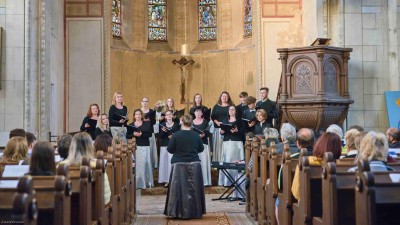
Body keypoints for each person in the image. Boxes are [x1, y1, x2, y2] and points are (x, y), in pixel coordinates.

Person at [164, 114, 205, 219]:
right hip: (194, 164)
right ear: (191, 123)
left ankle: (176, 212)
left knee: (178, 189)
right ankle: (195, 212)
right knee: (194, 189)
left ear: (181, 122)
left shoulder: (176, 135)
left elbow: (170, 149)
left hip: (179, 164)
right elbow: (201, 149)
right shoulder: (196, 135)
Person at [291, 132, 341, 201]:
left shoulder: (306, 162)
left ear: (318, 144)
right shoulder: (341, 165)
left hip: (309, 208)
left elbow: (296, 192)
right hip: (337, 208)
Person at [62, 132, 111, 204]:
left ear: (72, 147)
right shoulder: (98, 165)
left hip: (65, 212)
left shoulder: (61, 166)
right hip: (94, 211)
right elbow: (106, 198)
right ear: (90, 147)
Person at [127, 109, 154, 189]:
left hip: (145, 146)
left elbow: (149, 134)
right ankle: (138, 183)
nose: (138, 116)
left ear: (141, 115)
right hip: (135, 147)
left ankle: (146, 182)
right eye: (136, 114)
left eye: (139, 114)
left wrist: (142, 134)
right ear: (134, 116)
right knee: (137, 164)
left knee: (145, 163)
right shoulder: (131, 124)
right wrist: (133, 134)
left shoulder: (147, 124)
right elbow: (127, 135)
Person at [218, 106, 245, 187]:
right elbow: (222, 132)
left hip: (236, 142)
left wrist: (237, 131)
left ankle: (237, 180)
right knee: (226, 160)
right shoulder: (225, 121)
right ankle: (226, 182)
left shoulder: (240, 121)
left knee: (235, 161)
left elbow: (243, 132)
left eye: (233, 109)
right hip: (226, 142)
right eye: (230, 109)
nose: (231, 111)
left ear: (235, 111)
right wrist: (222, 132)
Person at [158, 110, 180, 187]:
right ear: (165, 117)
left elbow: (178, 135)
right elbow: (160, 136)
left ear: (172, 115)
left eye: (170, 114)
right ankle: (166, 180)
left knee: (172, 163)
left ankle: (173, 179)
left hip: (173, 146)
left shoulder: (177, 125)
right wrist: (163, 132)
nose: (169, 116)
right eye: (167, 114)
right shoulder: (162, 124)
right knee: (164, 163)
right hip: (164, 145)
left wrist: (173, 136)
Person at [211, 91, 234, 161]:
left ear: (228, 98)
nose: (224, 97)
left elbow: (233, 116)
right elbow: (212, 116)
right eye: (223, 96)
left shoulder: (231, 107)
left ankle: (225, 161)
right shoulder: (216, 106)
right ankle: (217, 162)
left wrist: (224, 123)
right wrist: (216, 122)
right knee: (217, 146)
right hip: (217, 129)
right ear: (220, 97)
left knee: (226, 146)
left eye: (226, 96)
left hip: (227, 129)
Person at [192, 106, 212, 186]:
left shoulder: (205, 122)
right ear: (194, 113)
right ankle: (195, 181)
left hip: (203, 144)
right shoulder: (191, 122)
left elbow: (208, 132)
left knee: (203, 162)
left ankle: (204, 181)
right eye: (196, 112)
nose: (198, 113)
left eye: (199, 112)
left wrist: (204, 134)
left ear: (202, 113)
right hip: (194, 145)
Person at [140, 97, 158, 169]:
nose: (145, 103)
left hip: (150, 131)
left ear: (148, 103)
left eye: (146, 101)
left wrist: (149, 120)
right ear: (141, 102)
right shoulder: (139, 111)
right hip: (141, 132)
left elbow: (154, 122)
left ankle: (151, 164)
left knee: (151, 148)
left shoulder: (151, 111)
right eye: (143, 101)